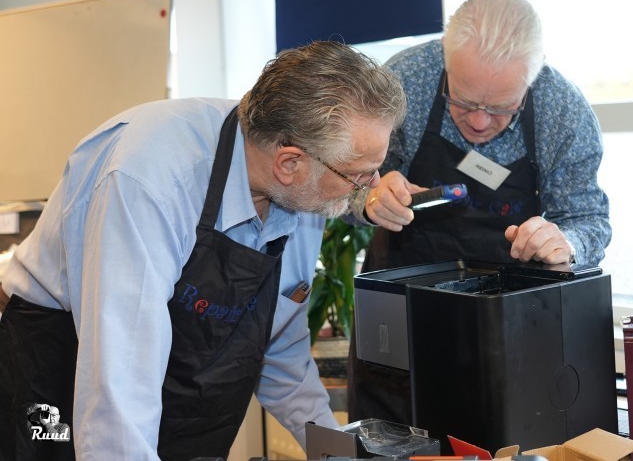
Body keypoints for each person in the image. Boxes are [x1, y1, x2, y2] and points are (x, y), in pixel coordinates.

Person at [0, 40, 407, 461]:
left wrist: (337, 453)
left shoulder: (307, 187)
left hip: (183, 394)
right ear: (289, 164)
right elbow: (119, 386)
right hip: (59, 358)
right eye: (359, 175)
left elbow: (282, 351)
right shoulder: (151, 180)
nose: (371, 186)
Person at [347, 0, 611, 424]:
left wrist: (567, 241)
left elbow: (588, 220)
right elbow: (341, 187)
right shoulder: (404, 79)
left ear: (531, 80)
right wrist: (368, 199)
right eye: (464, 102)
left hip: (507, 319)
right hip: (401, 301)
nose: (480, 122)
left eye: (503, 108)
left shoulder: (561, 108)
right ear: (446, 62)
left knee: (499, 431)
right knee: (387, 435)